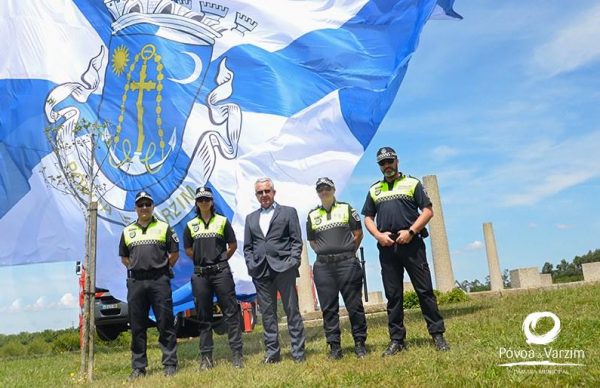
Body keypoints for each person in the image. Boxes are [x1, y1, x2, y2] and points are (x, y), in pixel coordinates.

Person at [361, 147, 450, 355]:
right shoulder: (374, 190)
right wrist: (378, 235)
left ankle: (437, 335)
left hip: (412, 244)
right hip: (387, 246)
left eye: (390, 161)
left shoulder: (412, 183)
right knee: (393, 296)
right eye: (383, 163)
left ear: (397, 161)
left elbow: (428, 211)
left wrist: (411, 231)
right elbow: (367, 218)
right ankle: (397, 340)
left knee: (424, 291)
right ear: (379, 166)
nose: (387, 166)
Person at [243, 177, 306, 363]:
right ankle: (272, 354)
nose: (264, 195)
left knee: (291, 311)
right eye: (260, 192)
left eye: (267, 191)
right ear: (256, 195)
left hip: (284, 269)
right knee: (268, 315)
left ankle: (298, 353)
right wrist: (251, 265)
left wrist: (293, 261)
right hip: (261, 272)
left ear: (273, 192)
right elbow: (248, 247)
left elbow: (296, 240)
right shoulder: (251, 218)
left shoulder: (288, 212)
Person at [119, 191, 179, 379]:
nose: (144, 208)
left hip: (159, 281)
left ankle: (169, 363)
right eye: (140, 205)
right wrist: (138, 268)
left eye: (147, 204)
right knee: (137, 326)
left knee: (165, 323)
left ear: (153, 207)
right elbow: (124, 258)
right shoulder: (127, 231)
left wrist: (160, 269)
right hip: (136, 282)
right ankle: (138, 367)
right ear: (135, 208)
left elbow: (174, 253)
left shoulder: (164, 227)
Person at [306, 177, 367, 360]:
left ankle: (359, 343)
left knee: (354, 306)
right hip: (323, 267)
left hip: (347, 264)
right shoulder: (312, 215)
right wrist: (326, 253)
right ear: (317, 192)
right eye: (320, 189)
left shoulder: (347, 209)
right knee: (329, 308)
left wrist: (347, 252)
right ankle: (334, 347)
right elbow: (312, 241)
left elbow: (358, 234)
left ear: (333, 190)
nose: (324, 192)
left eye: (327, 188)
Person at [183, 186, 243, 370]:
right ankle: (206, 359)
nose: (204, 203)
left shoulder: (223, 222)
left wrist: (221, 260)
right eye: (200, 200)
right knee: (203, 316)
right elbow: (188, 250)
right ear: (196, 203)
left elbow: (232, 245)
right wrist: (202, 261)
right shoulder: (190, 225)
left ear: (212, 201)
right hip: (200, 275)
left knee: (231, 313)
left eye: (207, 199)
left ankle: (237, 356)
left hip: (221, 273)